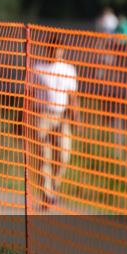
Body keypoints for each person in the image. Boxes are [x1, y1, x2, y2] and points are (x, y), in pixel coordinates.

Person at [27, 36, 78, 209]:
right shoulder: (37, 68)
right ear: (48, 49)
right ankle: (47, 194)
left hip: (61, 116)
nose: (57, 52)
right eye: (54, 49)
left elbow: (72, 96)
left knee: (63, 156)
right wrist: (24, 118)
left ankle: (53, 186)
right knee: (43, 157)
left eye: (60, 49)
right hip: (41, 116)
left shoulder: (69, 70)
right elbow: (29, 95)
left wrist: (75, 116)